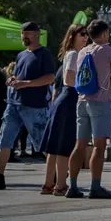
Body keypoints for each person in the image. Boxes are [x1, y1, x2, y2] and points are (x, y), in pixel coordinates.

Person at [0, 22, 57, 191]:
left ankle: (58, 172)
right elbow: (18, 75)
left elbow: (50, 77)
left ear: (36, 35)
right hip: (13, 103)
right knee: (5, 139)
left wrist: (26, 83)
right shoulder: (21, 55)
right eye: (22, 33)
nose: (23, 37)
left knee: (41, 143)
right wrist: (12, 79)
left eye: (26, 34)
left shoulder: (44, 54)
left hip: (33, 105)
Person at [66, 19, 111, 199]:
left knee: (80, 145)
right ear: (104, 33)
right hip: (100, 102)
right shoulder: (107, 50)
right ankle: (95, 187)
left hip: (82, 101)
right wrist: (110, 78)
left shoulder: (83, 51)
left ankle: (72, 186)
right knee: (99, 146)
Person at [38, 23, 88, 195]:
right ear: (72, 36)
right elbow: (69, 79)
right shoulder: (74, 54)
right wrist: (84, 88)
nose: (85, 37)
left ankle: (48, 184)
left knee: (54, 147)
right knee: (63, 146)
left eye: (86, 34)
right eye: (82, 34)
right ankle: (60, 185)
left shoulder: (69, 53)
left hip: (62, 100)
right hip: (70, 98)